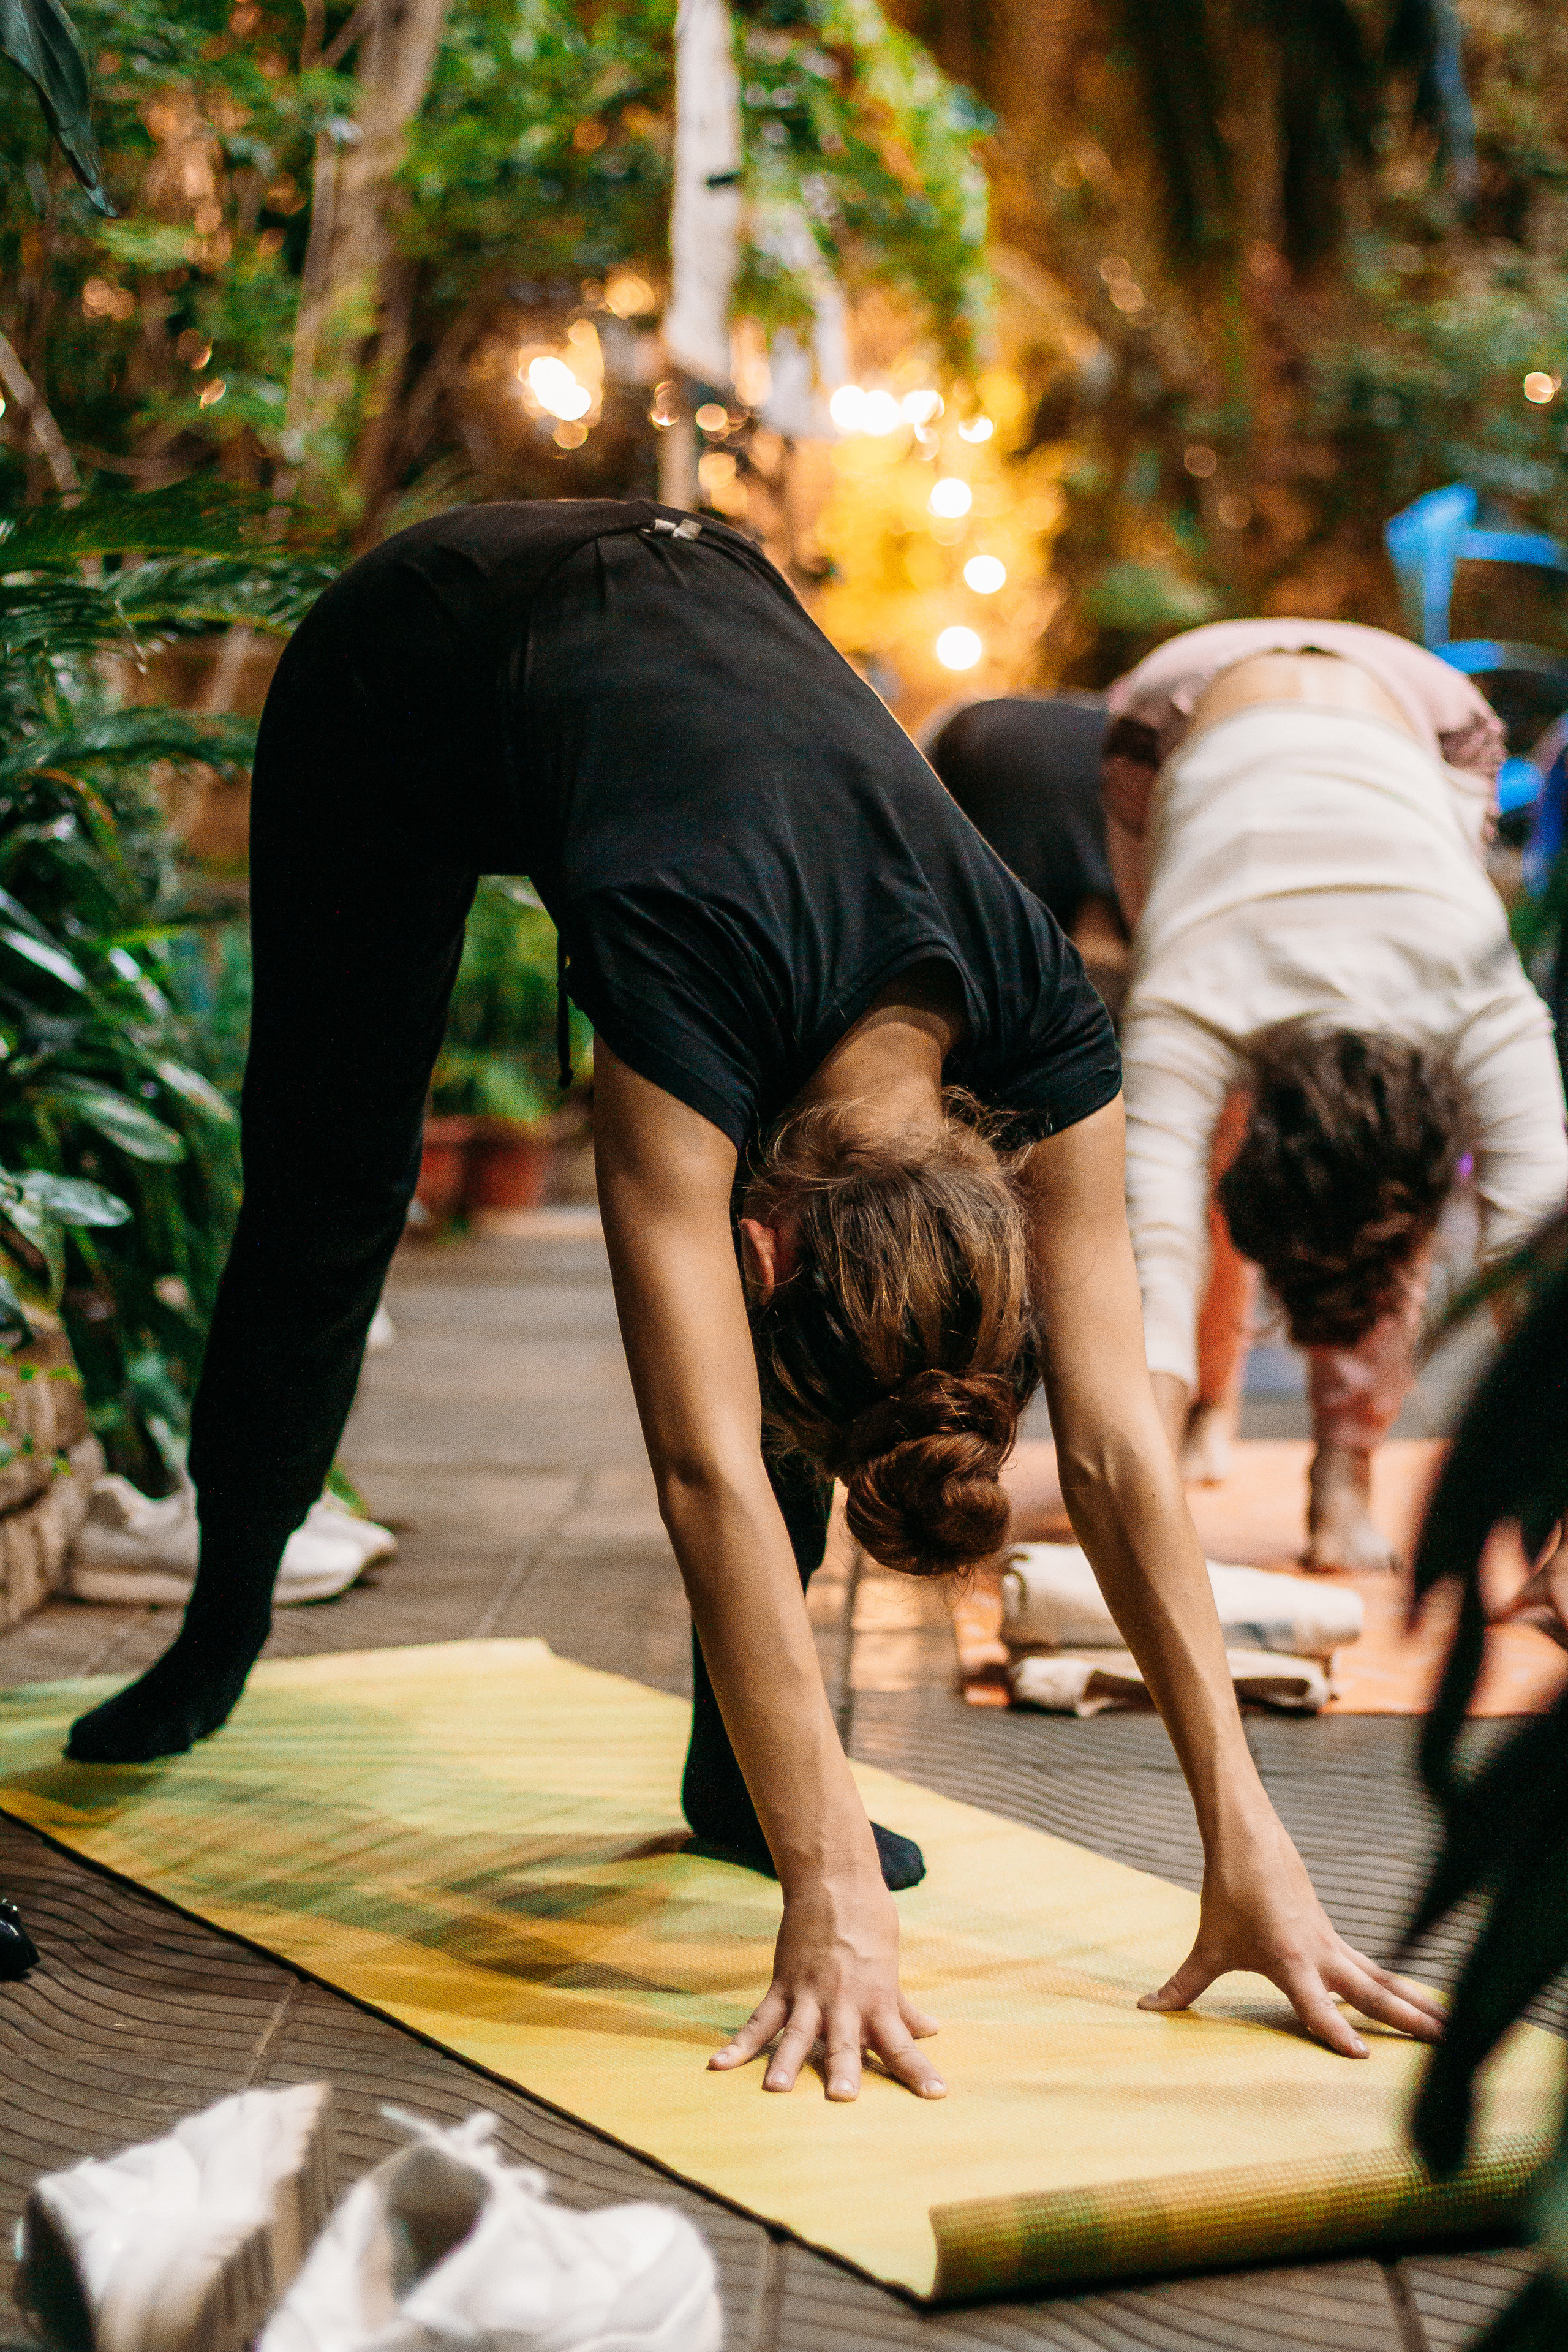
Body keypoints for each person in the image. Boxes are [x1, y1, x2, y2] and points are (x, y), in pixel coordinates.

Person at [67, 507, 1442, 2100]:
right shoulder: (679, 969)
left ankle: (741, 1777)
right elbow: (705, 1459)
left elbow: (1127, 1445)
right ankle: (220, 1617)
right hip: (411, 669)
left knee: (813, 1365)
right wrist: (833, 1884)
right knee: (331, 1189)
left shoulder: (1046, 1013)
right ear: (766, 1246)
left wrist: (1248, 1838)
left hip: (671, 668)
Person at [1103, 620, 1568, 1567]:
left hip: (1430, 722)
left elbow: (1544, 1259)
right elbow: (1155, 1253)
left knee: (1352, 1202)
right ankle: (1215, 1413)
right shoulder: (1187, 994)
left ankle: (1341, 1474)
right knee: (1199, 1144)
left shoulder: (1476, 993)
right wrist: (1140, 1529)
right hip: (1171, 716)